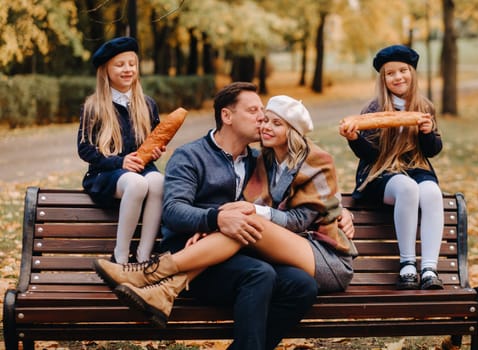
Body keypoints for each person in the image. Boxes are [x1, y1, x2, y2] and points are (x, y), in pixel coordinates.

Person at [93, 84, 355, 349]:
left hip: (242, 247)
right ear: (227, 116)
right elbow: (173, 212)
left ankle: (159, 281)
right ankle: (156, 275)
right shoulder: (190, 156)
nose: (261, 119)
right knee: (260, 273)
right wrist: (215, 220)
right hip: (192, 250)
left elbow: (301, 197)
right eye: (254, 111)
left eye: (266, 114)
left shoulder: (259, 160)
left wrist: (340, 212)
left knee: (302, 286)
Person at [339, 44, 444, 290]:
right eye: (390, 73)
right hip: (381, 173)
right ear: (383, 79)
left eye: (403, 71)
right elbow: (370, 154)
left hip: (415, 168)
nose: (397, 77)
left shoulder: (425, 107)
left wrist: (427, 134)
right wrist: (355, 139)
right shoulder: (373, 109)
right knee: (407, 188)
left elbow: (432, 151)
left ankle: (429, 268)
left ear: (412, 73)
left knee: (431, 192)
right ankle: (407, 264)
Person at [78, 36, 165, 264]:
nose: (127, 70)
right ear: (105, 70)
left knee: (158, 182)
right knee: (137, 184)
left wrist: (156, 151)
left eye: (132, 64)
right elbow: (85, 149)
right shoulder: (94, 106)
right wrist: (120, 163)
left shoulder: (147, 104)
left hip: (142, 168)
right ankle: (120, 256)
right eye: (120, 65)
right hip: (106, 174)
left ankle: (144, 256)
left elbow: (155, 139)